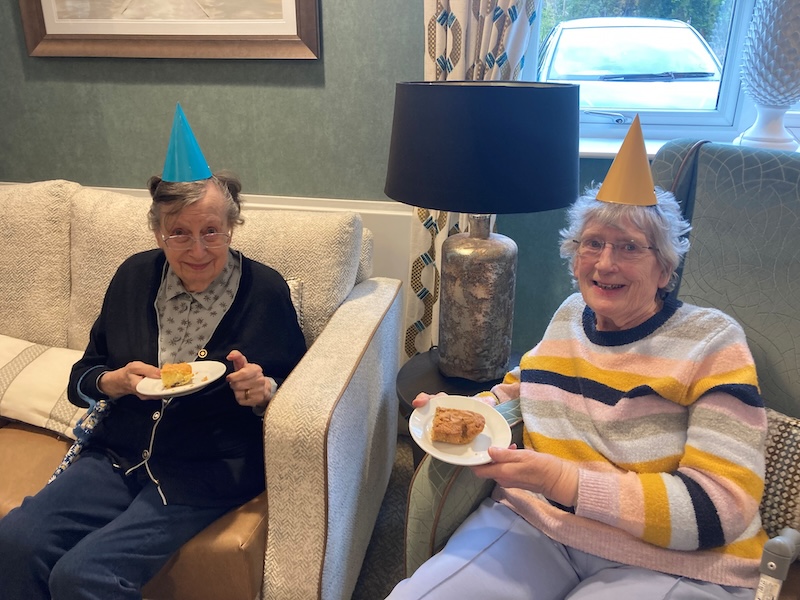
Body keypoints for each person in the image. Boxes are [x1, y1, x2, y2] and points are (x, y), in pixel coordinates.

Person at [387, 116, 767, 600]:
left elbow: (721, 507)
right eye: (593, 244)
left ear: (665, 267)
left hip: (673, 562)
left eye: (629, 247)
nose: (606, 263)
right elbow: (527, 387)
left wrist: (564, 479)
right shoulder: (572, 314)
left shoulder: (711, 341)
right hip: (539, 525)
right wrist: (466, 408)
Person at [0, 104, 307, 599]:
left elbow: (296, 391)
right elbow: (85, 374)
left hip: (205, 468)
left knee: (82, 575)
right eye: (178, 233)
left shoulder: (265, 291)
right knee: (15, 541)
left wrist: (263, 390)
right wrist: (113, 382)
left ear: (232, 226)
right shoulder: (133, 277)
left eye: (211, 231)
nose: (198, 250)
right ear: (157, 232)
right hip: (116, 454)